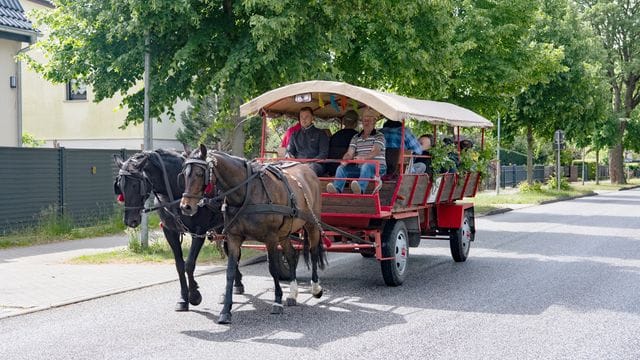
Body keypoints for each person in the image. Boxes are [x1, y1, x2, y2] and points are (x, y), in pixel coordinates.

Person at [326, 108, 386, 194]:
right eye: (365, 120)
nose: (366, 122)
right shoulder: (356, 137)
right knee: (341, 168)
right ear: (361, 121)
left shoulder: (379, 136)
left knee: (366, 165)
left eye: (369, 120)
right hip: (361, 168)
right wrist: (345, 159)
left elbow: (375, 151)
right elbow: (350, 153)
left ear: (374, 121)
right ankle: (336, 189)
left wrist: (363, 158)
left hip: (378, 168)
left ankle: (360, 189)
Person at [286, 106, 329, 176]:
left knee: (310, 169)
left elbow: (323, 154)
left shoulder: (321, 134)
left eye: (307, 117)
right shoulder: (294, 134)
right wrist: (289, 156)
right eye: (301, 117)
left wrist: (309, 163)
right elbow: (289, 151)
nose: (304, 119)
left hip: (315, 164)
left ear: (312, 118)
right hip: (297, 163)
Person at [326, 110, 359, 176]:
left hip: (332, 169)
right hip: (348, 170)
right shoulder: (358, 137)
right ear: (356, 123)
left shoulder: (334, 136)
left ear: (343, 122)